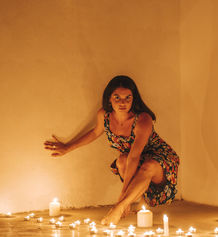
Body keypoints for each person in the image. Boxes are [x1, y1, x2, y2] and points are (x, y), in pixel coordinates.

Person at [44, 75, 179, 225]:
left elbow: (134, 156)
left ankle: (119, 208)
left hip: (160, 160)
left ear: (134, 99)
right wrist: (67, 147)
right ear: (109, 98)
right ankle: (135, 201)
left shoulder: (142, 119)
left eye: (127, 98)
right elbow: (95, 132)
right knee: (121, 160)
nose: (123, 103)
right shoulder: (105, 116)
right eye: (117, 97)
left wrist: (121, 199)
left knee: (147, 165)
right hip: (133, 159)